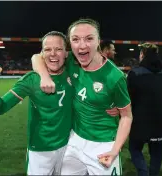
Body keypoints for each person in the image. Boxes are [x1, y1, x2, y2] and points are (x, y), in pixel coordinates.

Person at [31, 18, 133, 175]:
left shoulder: (115, 77)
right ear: (70, 44)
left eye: (89, 39)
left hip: (103, 144)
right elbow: (36, 57)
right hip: (75, 140)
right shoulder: (71, 59)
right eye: (75, 39)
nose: (82, 45)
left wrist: (114, 150)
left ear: (98, 41)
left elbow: (126, 116)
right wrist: (44, 76)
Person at [0, 31, 73, 175]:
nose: (53, 54)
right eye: (47, 49)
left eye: (59, 49)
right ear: (42, 53)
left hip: (69, 147)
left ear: (66, 53)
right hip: (40, 150)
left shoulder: (73, 72)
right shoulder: (31, 80)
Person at [127, 43, 162, 176]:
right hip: (159, 122)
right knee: (157, 153)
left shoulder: (135, 74)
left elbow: (128, 98)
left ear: (143, 55)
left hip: (139, 121)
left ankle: (143, 172)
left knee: (134, 148)